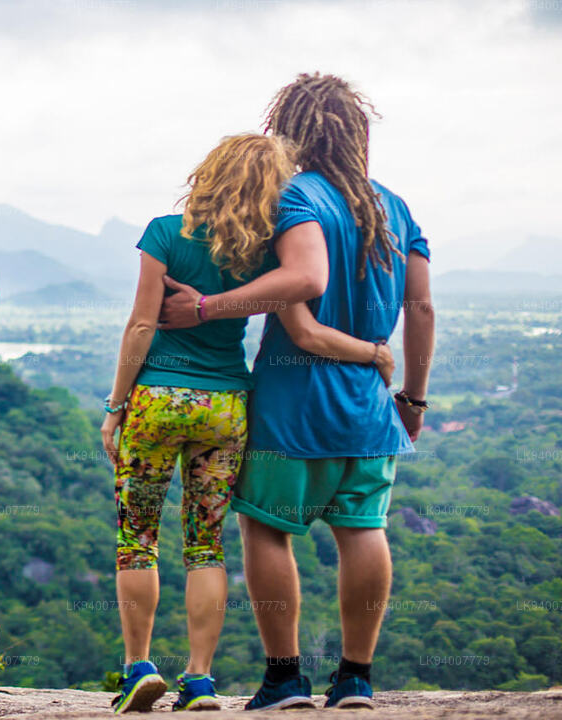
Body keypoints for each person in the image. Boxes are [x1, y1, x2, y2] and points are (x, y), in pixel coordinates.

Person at [158, 73, 435, 710]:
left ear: (290, 130)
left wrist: (205, 308)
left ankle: (285, 679)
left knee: (265, 529)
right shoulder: (394, 207)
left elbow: (298, 303)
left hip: (292, 402)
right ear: (356, 133)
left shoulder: (290, 197)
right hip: (370, 403)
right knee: (363, 529)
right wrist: (412, 399)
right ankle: (356, 678)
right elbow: (421, 309)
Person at [100, 133, 395, 714]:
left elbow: (140, 325)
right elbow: (305, 328)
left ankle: (138, 668)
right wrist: (377, 354)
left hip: (157, 399)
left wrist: (116, 405)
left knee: (138, 538)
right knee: (205, 545)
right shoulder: (263, 253)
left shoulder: (165, 232)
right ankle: (200, 681)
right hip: (227, 407)